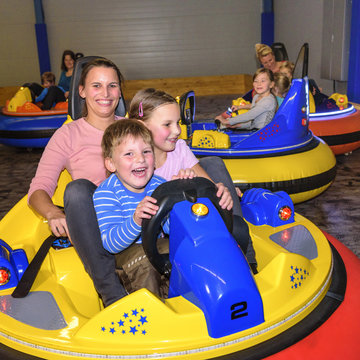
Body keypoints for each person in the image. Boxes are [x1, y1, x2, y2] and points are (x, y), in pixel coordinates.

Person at [28, 57, 128, 307]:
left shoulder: (133, 129)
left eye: (112, 85)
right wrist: (53, 213)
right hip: (97, 224)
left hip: (135, 212)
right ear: (81, 91)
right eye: (96, 86)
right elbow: (38, 189)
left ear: (119, 91)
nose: (105, 94)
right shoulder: (68, 135)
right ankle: (111, 294)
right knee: (77, 190)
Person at [128, 88, 257, 269]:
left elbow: (210, 188)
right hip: (165, 237)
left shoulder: (179, 148)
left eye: (178, 122)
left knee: (238, 229)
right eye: (167, 124)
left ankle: (248, 261)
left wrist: (222, 192)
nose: (177, 130)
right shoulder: (134, 167)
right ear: (142, 126)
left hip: (196, 222)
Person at [93, 119, 171, 296]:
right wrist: (136, 221)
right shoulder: (106, 193)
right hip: (126, 255)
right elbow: (110, 244)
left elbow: (171, 229)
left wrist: (180, 205)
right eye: (129, 154)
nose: (140, 159)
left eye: (146, 152)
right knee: (146, 263)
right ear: (111, 164)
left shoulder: (160, 185)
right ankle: (151, 316)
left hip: (157, 246)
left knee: (186, 250)